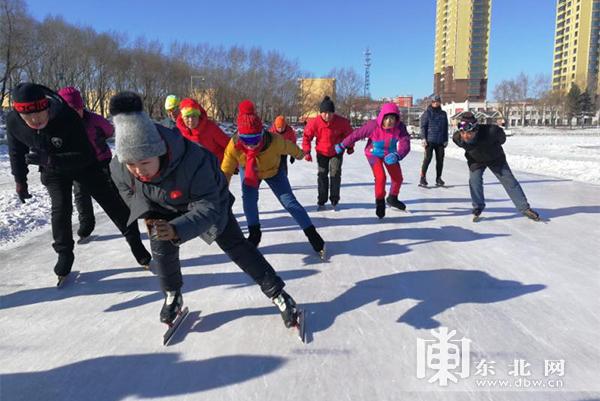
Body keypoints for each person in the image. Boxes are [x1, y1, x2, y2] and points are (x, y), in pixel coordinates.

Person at [108, 92, 301, 327]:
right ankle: (172, 295)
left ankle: (279, 294)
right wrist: (147, 213)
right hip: (162, 204)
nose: (139, 171)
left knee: (237, 246)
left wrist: (177, 228)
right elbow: (125, 188)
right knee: (161, 247)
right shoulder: (119, 166)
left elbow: (208, 207)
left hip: (209, 201)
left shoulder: (194, 160)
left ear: (159, 151)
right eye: (131, 165)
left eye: (145, 163)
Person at [6, 83, 150, 282]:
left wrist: (51, 159)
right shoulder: (13, 121)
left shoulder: (67, 117)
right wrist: (20, 180)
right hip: (52, 169)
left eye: (40, 114)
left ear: (47, 106)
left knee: (112, 203)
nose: (36, 120)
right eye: (28, 117)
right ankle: (64, 254)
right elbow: (15, 152)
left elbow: (86, 155)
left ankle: (136, 243)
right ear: (19, 114)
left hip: (84, 164)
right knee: (61, 208)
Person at [221, 100, 325, 256]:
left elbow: (290, 147)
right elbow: (226, 172)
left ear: (262, 134)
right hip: (250, 172)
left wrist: (300, 154)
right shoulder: (234, 146)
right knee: (248, 199)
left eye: (255, 139)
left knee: (289, 201)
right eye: (246, 140)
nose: (251, 146)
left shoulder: (274, 141)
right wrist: (221, 193)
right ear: (239, 136)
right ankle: (255, 234)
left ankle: (312, 234)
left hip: (274, 172)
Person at [452, 112, 540, 221]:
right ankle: (478, 207)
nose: (465, 136)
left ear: (476, 130)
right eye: (462, 132)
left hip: (496, 159)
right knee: (474, 181)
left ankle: (525, 208)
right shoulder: (457, 138)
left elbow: (502, 139)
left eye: (469, 133)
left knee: (510, 181)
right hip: (476, 160)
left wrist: (492, 146)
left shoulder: (491, 131)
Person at [57, 86, 114, 241]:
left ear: (82, 107)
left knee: (110, 190)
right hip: (78, 165)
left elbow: (109, 131)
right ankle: (86, 225)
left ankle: (125, 218)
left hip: (100, 160)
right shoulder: (60, 124)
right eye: (70, 110)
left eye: (78, 109)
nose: (75, 113)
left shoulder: (95, 120)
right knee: (81, 194)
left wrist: (100, 138)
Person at [335, 103, 411, 219]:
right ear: (382, 117)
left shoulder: (400, 127)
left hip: (390, 154)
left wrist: (398, 155)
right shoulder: (372, 126)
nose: (389, 121)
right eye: (386, 118)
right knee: (381, 177)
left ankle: (392, 198)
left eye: (392, 118)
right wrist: (342, 145)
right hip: (373, 153)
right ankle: (380, 201)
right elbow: (356, 135)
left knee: (398, 178)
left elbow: (405, 142)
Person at [302, 96, 353, 210]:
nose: (327, 115)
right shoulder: (314, 123)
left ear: (333, 113)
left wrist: (350, 147)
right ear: (320, 113)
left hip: (336, 151)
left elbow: (349, 135)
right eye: (324, 113)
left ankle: (334, 198)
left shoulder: (342, 122)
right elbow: (306, 137)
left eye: (330, 113)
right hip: (321, 152)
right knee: (322, 175)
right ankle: (322, 199)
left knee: (335, 174)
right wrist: (307, 151)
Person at [419, 95, 448, 187]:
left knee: (440, 160)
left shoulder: (443, 113)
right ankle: (422, 177)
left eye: (437, 101)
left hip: (440, 141)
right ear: (431, 102)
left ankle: (438, 178)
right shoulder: (427, 113)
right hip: (429, 140)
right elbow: (423, 126)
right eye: (434, 102)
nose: (436, 103)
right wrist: (423, 138)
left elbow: (445, 127)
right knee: (427, 158)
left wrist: (446, 139)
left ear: (440, 102)